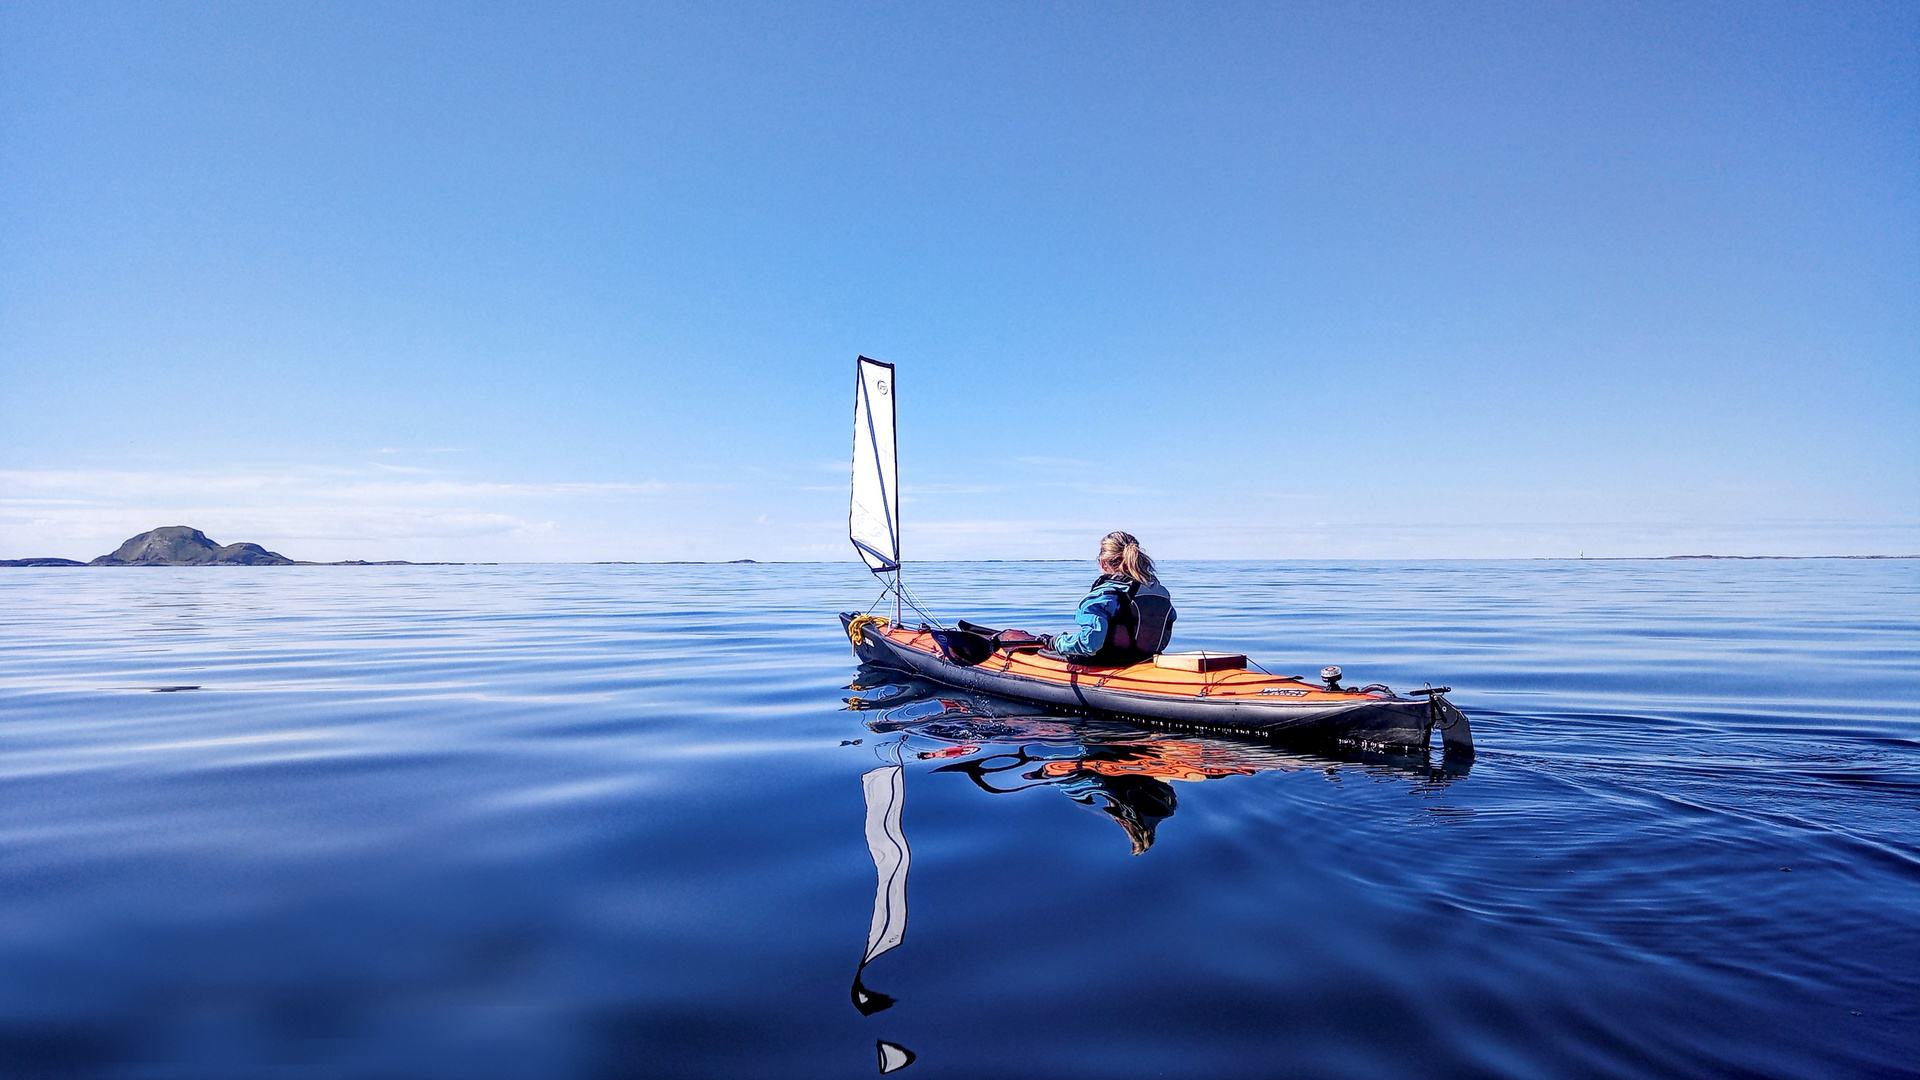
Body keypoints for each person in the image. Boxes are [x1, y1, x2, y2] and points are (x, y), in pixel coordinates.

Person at [1043, 531, 1176, 666]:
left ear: (1103, 562)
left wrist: (1057, 642)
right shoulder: (1161, 593)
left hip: (1110, 664)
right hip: (1148, 661)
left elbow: (1090, 644)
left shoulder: (1102, 597)